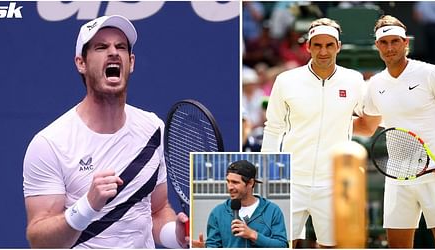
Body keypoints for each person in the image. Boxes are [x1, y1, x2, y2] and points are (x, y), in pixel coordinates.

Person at [22, 15, 188, 248]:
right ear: (81, 63)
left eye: (120, 47)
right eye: (101, 47)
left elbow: (157, 210)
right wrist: (87, 206)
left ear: (131, 62)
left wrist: (176, 236)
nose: (113, 52)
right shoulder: (49, 143)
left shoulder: (153, 128)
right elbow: (40, 241)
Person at [353, 15, 435, 248]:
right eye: (384, 43)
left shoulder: (430, 73)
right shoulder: (375, 85)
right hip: (397, 181)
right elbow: (367, 126)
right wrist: (326, 121)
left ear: (406, 42)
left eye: (395, 41)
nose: (390, 48)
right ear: (377, 46)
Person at [261, 17, 366, 247]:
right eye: (317, 45)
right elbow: (273, 128)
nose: (323, 51)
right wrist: (268, 175)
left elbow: (367, 122)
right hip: (290, 181)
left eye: (329, 45)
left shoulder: (354, 80)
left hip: (334, 183)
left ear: (338, 47)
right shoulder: (286, 80)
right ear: (308, 47)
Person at [192, 160, 288, 248]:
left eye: (235, 182)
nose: (230, 187)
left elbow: (282, 246)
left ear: (250, 183)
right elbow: (214, 246)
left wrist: (253, 235)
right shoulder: (218, 212)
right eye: (228, 181)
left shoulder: (272, 210)